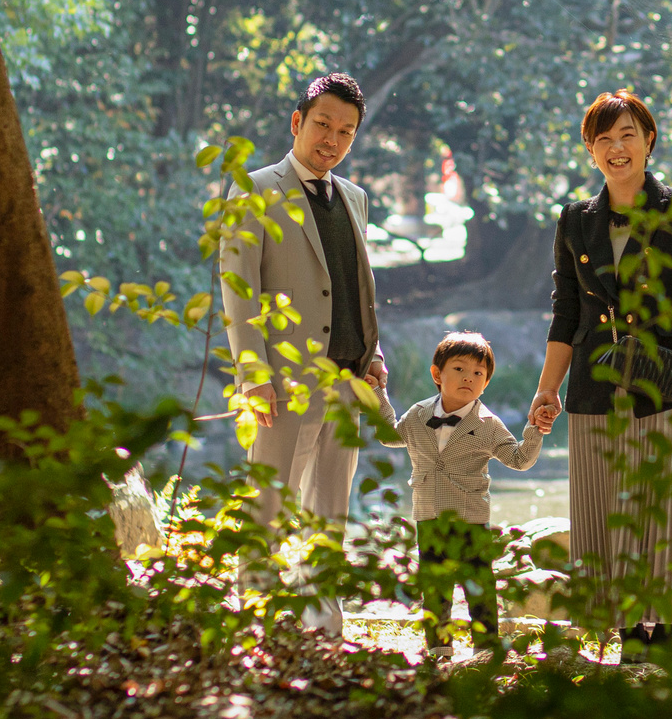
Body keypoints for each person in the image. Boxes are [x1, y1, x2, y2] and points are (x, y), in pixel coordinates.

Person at [528, 90, 672, 661]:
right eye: (604, 139)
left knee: (670, 508)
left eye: (628, 135)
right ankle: (628, 640)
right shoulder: (575, 220)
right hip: (596, 385)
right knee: (603, 507)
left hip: (670, 382)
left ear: (649, 141)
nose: (616, 148)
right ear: (590, 150)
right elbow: (566, 313)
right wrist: (547, 388)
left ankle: (665, 642)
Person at [218, 73, 391, 638]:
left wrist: (373, 353)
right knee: (269, 503)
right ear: (297, 122)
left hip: (348, 378)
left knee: (329, 511)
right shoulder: (253, 189)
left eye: (346, 131)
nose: (332, 139)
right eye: (323, 124)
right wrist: (252, 374)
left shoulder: (355, 198)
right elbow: (238, 288)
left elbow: (356, 286)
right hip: (282, 381)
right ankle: (254, 621)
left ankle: (323, 625)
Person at [384, 331, 547, 656]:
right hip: (429, 515)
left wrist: (535, 430)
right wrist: (376, 393)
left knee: (479, 588)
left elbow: (518, 459)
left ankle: (485, 650)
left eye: (478, 373)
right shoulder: (417, 414)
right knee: (435, 587)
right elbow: (390, 435)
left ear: (486, 383)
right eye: (459, 369)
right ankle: (439, 650)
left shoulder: (488, 424)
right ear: (437, 374)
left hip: (470, 519)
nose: (468, 377)